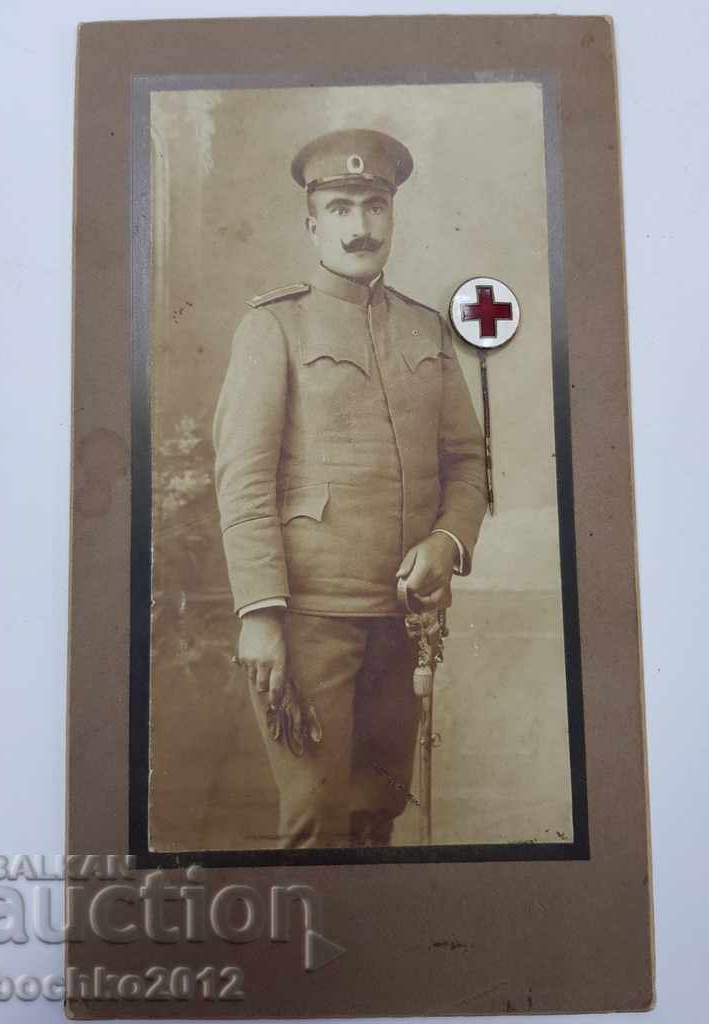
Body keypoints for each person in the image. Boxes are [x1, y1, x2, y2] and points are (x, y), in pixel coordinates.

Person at [213, 128, 487, 848]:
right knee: (317, 825)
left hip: (404, 625)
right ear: (312, 224)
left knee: (378, 815)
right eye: (340, 207)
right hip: (309, 627)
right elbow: (241, 481)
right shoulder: (273, 326)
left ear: (392, 216)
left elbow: (468, 460)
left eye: (373, 205)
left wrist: (447, 540)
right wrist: (260, 615)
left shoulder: (429, 330)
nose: (359, 225)